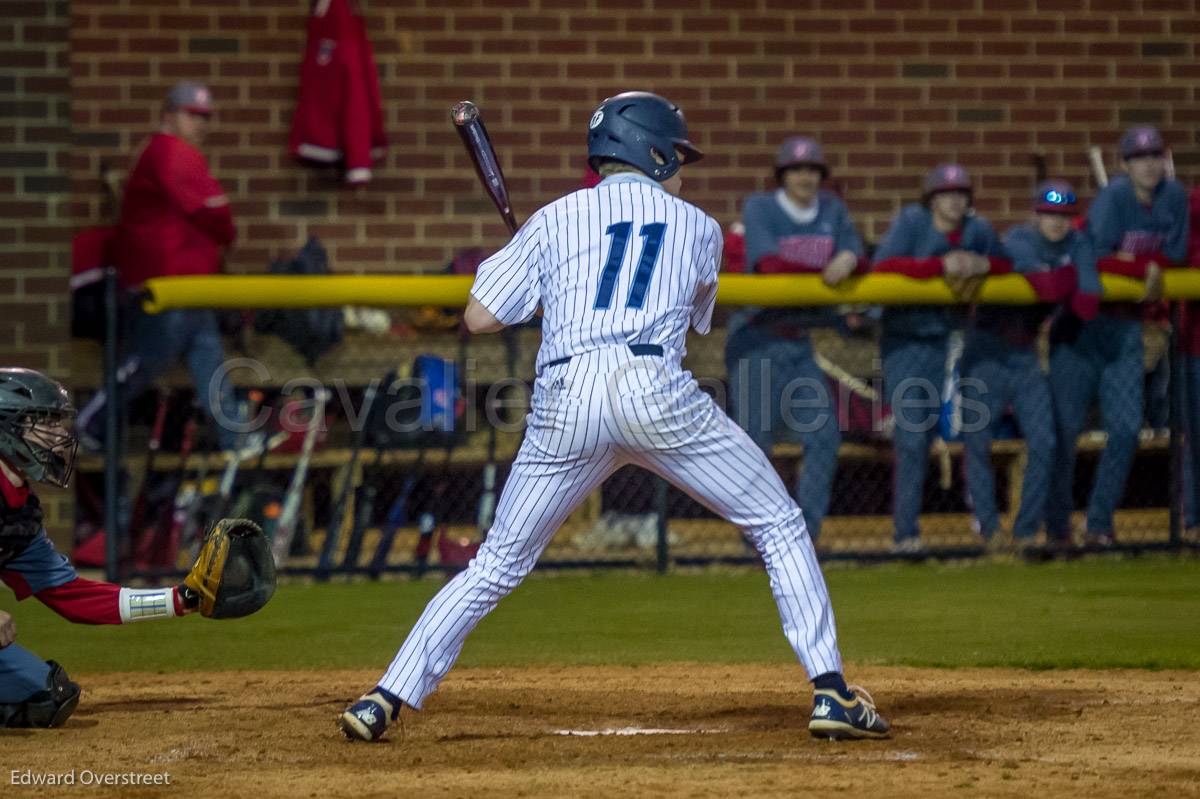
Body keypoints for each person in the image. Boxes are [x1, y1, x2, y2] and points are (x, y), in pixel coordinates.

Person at [339, 92, 889, 742]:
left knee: (495, 565)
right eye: (677, 156)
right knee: (776, 521)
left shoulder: (550, 220)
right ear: (650, 151)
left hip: (564, 396)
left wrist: (541, 281)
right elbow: (689, 312)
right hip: (652, 388)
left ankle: (385, 696)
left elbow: (480, 316)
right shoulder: (700, 226)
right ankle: (830, 692)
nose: (682, 170)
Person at [0, 369, 195, 727]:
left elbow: (71, 595)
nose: (61, 435)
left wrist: (181, 599)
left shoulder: (17, 511)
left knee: (44, 696)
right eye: (47, 423)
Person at [76, 81, 239, 452]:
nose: (201, 124)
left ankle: (236, 438)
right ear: (169, 115)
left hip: (188, 288)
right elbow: (215, 214)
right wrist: (225, 232)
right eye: (192, 115)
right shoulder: (168, 151)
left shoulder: (174, 153)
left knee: (209, 361)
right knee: (145, 362)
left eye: (205, 117)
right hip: (164, 288)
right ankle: (89, 423)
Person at [1048, 126, 1189, 547]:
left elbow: (1177, 256)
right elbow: (1096, 256)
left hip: (1126, 328)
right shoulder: (1113, 198)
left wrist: (1143, 262)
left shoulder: (1174, 197)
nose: (1149, 164)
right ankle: (1057, 530)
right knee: (1065, 433)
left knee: (1127, 429)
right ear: (1125, 165)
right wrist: (1139, 266)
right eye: (1139, 157)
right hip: (1082, 329)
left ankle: (1098, 525)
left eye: (1154, 156)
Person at [724, 137, 863, 541]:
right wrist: (825, 272)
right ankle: (756, 537)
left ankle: (805, 535)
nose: (805, 177)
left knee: (824, 436)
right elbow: (769, 264)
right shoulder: (761, 207)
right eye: (796, 170)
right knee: (756, 442)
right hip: (756, 339)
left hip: (799, 340)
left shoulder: (832, 210)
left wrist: (850, 258)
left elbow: (858, 251)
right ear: (782, 176)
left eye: (812, 170)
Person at [872, 165, 1003, 552]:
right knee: (913, 439)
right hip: (906, 342)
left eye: (961, 193)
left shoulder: (977, 230)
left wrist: (985, 264)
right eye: (945, 194)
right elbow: (883, 266)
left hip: (953, 342)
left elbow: (1012, 264)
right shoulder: (913, 221)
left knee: (975, 433)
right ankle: (905, 536)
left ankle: (990, 532)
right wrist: (938, 266)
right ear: (931, 199)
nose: (954, 200)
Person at [961, 181, 1092, 552]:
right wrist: (1073, 276)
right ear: (1036, 214)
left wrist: (1077, 271)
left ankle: (1024, 532)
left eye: (1064, 215)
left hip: (1025, 355)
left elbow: (1088, 300)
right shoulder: (1018, 240)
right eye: (1049, 213)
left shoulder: (1074, 245)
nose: (1056, 221)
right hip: (985, 351)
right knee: (978, 442)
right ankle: (988, 531)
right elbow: (1048, 287)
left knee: (1045, 441)